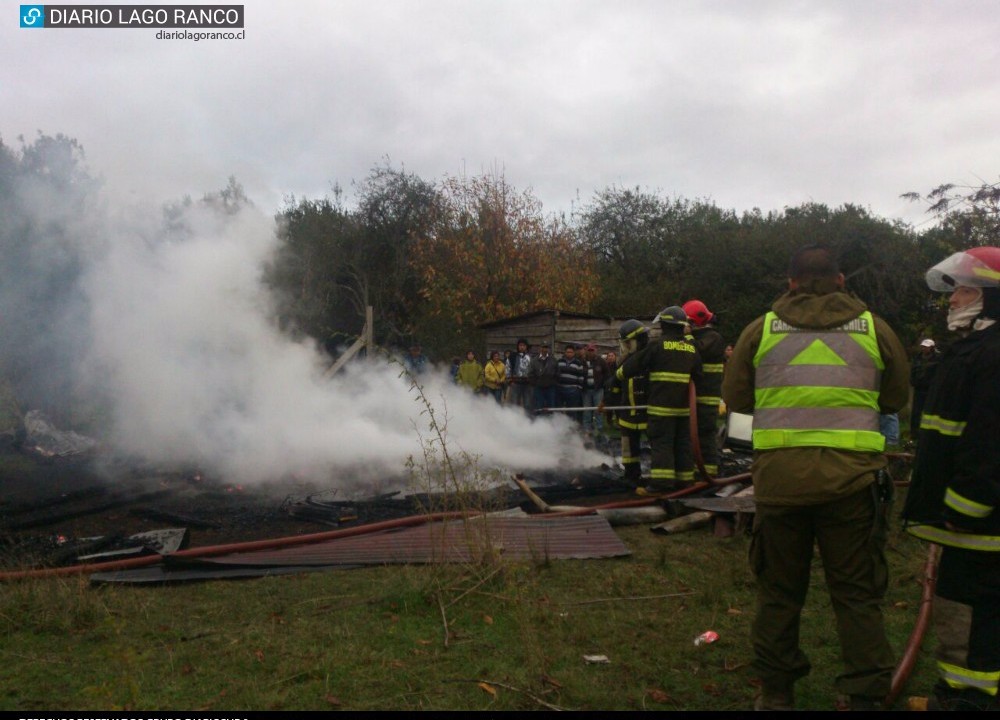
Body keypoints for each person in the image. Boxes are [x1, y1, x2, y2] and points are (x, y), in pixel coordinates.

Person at [721, 244, 909, 711]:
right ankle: (866, 694)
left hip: (781, 486)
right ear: (841, 280)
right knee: (857, 596)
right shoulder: (875, 329)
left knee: (779, 595)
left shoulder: (759, 330)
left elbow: (737, 399)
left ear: (790, 283)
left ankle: (777, 693)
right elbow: (896, 398)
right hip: (854, 486)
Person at [901, 246, 1000, 711]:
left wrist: (963, 509)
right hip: (975, 517)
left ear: (990, 298)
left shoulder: (991, 355)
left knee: (973, 608)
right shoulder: (976, 350)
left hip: (980, 523)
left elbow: (988, 447)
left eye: (963, 290)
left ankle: (968, 699)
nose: (953, 300)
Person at [617, 306, 701, 491]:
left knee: (662, 444)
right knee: (682, 445)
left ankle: (662, 483)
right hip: (684, 409)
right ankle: (685, 482)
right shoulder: (691, 348)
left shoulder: (657, 346)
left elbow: (634, 365)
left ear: (665, 325)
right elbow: (698, 375)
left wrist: (618, 375)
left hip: (661, 408)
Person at [682, 299, 727, 478]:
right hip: (694, 398)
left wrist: (687, 336)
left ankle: (709, 472)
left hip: (707, 397)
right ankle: (695, 469)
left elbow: (695, 351)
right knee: (692, 434)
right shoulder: (701, 336)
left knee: (705, 434)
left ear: (694, 322)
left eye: (688, 323)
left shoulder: (713, 338)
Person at [605, 320, 650, 487]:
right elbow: (614, 387)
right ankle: (631, 475)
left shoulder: (651, 358)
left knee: (659, 446)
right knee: (628, 449)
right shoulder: (623, 361)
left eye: (627, 343)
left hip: (649, 413)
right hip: (627, 414)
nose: (625, 346)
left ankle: (662, 479)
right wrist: (612, 409)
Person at [909, 338, 940, 439]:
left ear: (931, 348)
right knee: (916, 413)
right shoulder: (917, 358)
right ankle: (914, 433)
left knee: (930, 412)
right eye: (923, 347)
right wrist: (913, 381)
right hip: (918, 389)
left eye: (926, 347)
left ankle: (929, 434)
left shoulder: (938, 359)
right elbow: (913, 371)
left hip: (931, 390)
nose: (924, 349)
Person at [582, 343, 610, 434]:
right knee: (587, 410)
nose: (590, 352)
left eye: (592, 350)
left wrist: (604, 386)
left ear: (595, 351)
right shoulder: (582, 361)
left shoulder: (601, 361)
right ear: (586, 351)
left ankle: (599, 428)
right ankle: (587, 429)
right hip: (586, 390)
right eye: (589, 350)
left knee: (598, 409)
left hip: (598, 389)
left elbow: (607, 375)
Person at [555, 344, 586, 423]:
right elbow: (556, 374)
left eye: (571, 352)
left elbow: (581, 376)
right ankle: (560, 425)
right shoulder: (559, 362)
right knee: (559, 409)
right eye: (567, 352)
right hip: (560, 389)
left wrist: (578, 388)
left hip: (573, 390)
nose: (569, 353)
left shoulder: (578, 363)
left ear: (574, 353)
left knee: (572, 410)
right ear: (565, 352)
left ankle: (571, 427)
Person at [528, 342, 558, 412]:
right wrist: (536, 383)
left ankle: (550, 422)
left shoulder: (553, 360)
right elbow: (530, 374)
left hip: (550, 388)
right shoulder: (534, 360)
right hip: (538, 388)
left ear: (548, 349)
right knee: (539, 406)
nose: (545, 349)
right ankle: (539, 422)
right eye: (543, 347)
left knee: (551, 407)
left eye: (546, 347)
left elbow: (557, 373)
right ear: (540, 348)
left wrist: (553, 382)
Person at [505, 338, 533, 412]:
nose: (522, 347)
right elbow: (508, 368)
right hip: (515, 383)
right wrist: (509, 380)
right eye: (520, 345)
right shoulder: (512, 356)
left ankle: (528, 420)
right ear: (518, 346)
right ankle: (515, 420)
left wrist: (532, 379)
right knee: (514, 403)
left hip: (527, 383)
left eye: (524, 345)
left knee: (528, 403)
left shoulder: (530, 357)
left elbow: (533, 369)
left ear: (526, 347)